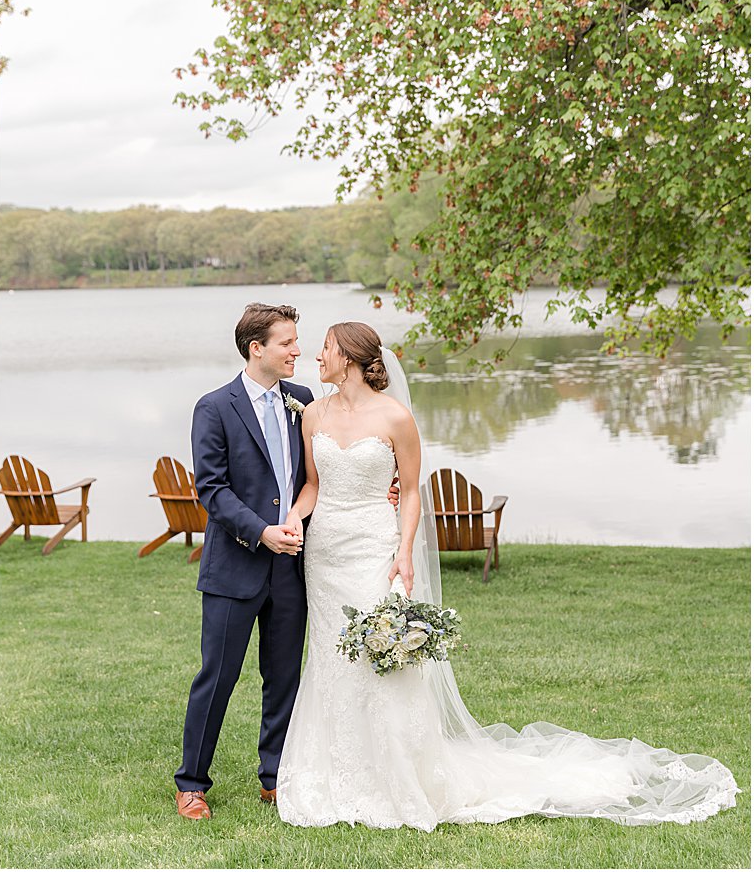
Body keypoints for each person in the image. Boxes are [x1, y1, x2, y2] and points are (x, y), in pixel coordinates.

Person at [276, 321, 739, 829]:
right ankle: (339, 772)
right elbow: (313, 487)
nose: (316, 356)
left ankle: (398, 776)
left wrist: (404, 551)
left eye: (325, 348)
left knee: (383, 656)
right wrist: (295, 516)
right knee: (331, 656)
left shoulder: (395, 417)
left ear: (352, 357)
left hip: (374, 546)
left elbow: (410, 493)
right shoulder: (313, 414)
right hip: (326, 554)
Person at [174, 302, 316, 819]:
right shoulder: (214, 407)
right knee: (218, 677)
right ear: (257, 349)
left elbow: (317, 473)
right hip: (235, 567)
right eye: (287, 343)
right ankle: (191, 782)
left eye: (297, 341)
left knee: (284, 677)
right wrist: (261, 532)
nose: (297, 350)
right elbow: (210, 489)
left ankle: (274, 777)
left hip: (292, 568)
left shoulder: (302, 400)